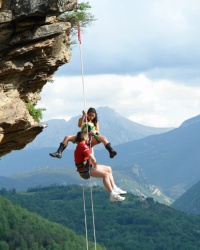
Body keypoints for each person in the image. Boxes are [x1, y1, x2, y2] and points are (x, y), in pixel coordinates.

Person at [74, 131, 126, 202]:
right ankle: (112, 195)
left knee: (108, 169)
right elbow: (92, 158)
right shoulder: (82, 146)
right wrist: (96, 166)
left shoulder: (81, 146)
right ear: (84, 138)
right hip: (85, 170)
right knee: (105, 175)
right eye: (87, 138)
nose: (89, 140)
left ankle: (114, 187)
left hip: (87, 166)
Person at [49, 107, 117, 159]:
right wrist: (84, 116)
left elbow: (98, 132)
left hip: (90, 138)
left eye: (93, 116)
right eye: (90, 115)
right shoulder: (82, 120)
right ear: (88, 114)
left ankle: (111, 151)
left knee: (103, 138)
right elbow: (79, 125)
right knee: (67, 137)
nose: (92, 117)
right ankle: (59, 152)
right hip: (81, 137)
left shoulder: (95, 123)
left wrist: (94, 131)